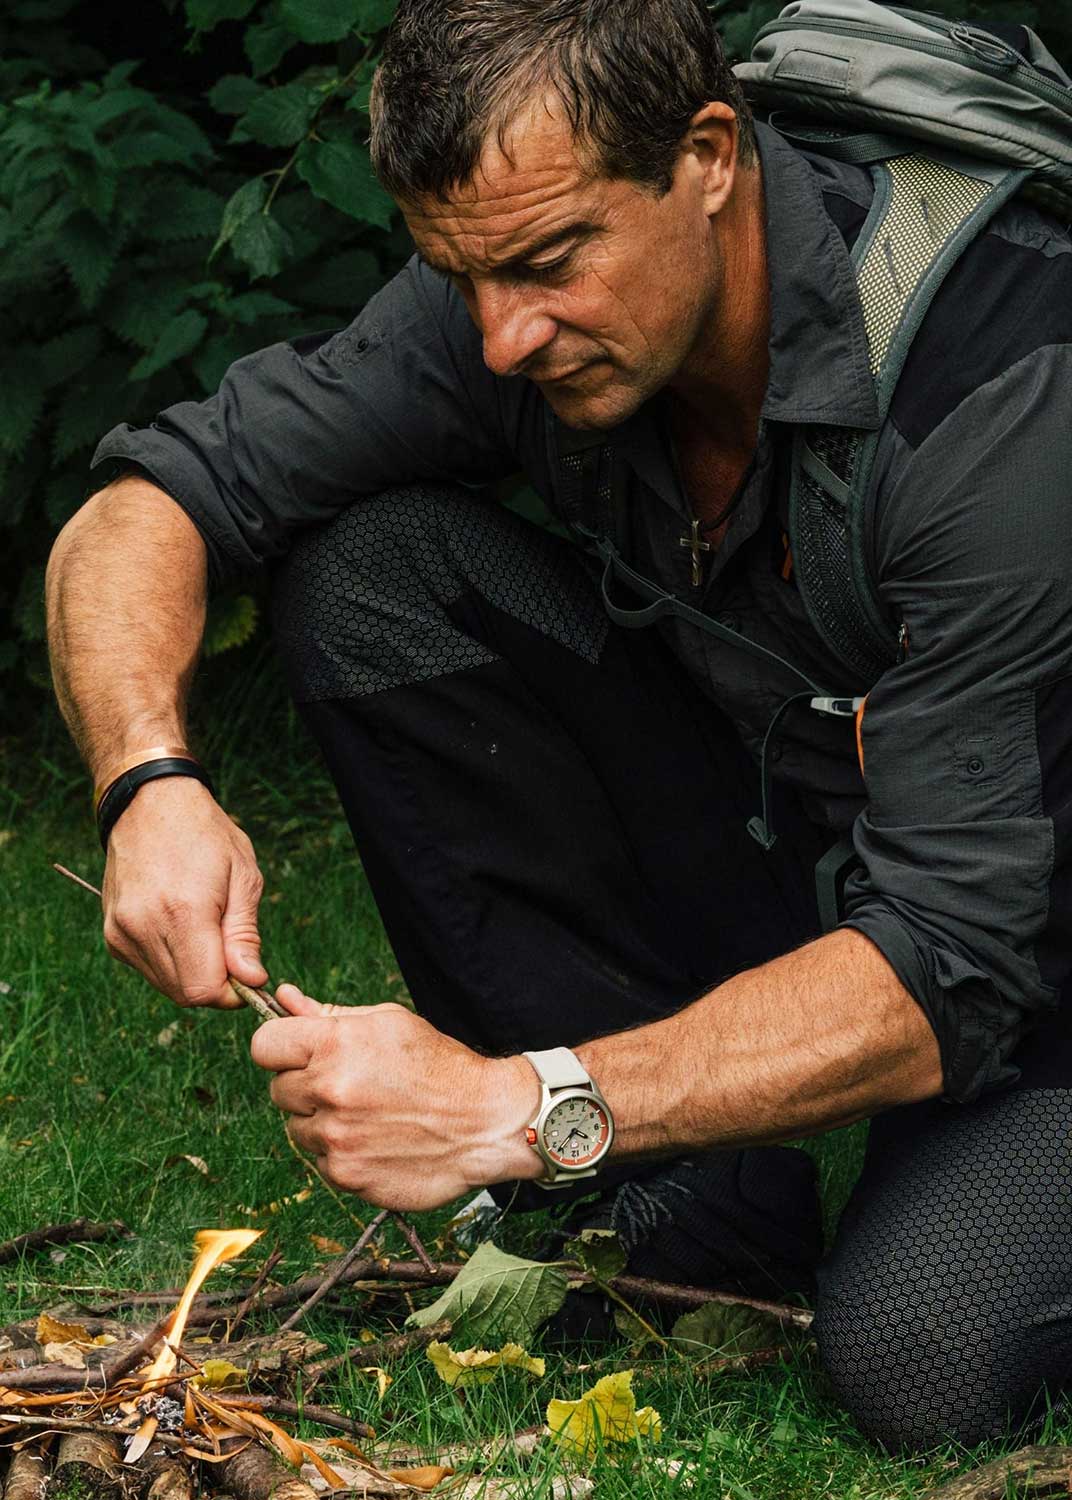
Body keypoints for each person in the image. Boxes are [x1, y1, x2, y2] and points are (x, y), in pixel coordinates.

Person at [46, 0, 1072, 1452]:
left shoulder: (1001, 386)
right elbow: (149, 501)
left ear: (708, 157)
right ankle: (686, 1209)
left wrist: (512, 1109)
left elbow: (956, 956)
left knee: (924, 1354)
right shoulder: (515, 282)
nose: (502, 337)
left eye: (547, 264)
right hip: (816, 825)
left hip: (1017, 936)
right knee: (371, 571)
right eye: (458, 275)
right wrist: (147, 778)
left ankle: (594, 1122)